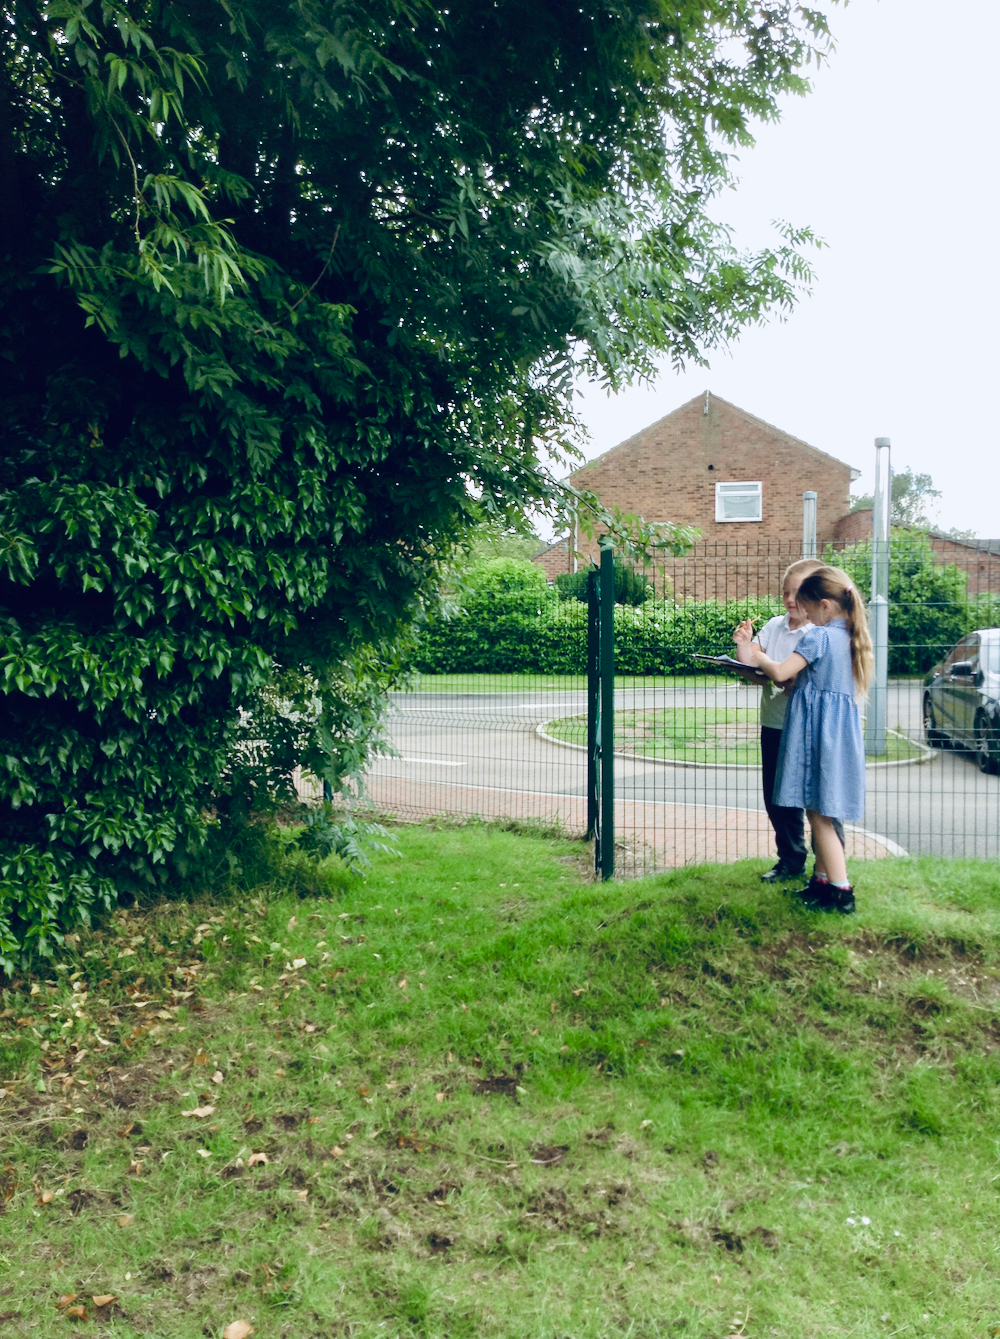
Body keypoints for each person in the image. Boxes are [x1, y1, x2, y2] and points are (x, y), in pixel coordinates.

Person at [735, 565, 873, 914]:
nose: (805, 614)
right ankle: (821, 881)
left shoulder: (820, 637)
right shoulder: (850, 636)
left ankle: (841, 893)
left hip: (815, 734)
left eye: (809, 608)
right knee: (822, 810)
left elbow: (781, 672)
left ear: (825, 606)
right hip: (837, 735)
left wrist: (759, 654)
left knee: (819, 815)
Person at [733, 558, 839, 884]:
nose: (790, 600)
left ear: (815, 596)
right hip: (775, 722)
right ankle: (790, 860)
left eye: (797, 593)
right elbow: (755, 668)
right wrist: (742, 646)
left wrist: (771, 669)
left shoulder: (820, 632)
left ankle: (829, 867)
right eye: (785, 593)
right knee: (777, 798)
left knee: (817, 800)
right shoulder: (775, 626)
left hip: (806, 728)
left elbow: (796, 678)